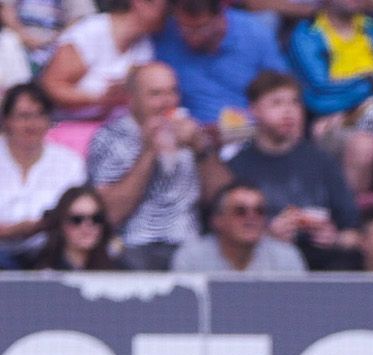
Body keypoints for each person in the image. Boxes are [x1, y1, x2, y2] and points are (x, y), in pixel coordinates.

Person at [87, 63, 232, 271]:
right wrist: (149, 153)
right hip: (131, 245)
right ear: (132, 100)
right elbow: (110, 215)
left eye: (172, 92)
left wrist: (202, 150)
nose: (167, 102)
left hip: (188, 244)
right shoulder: (110, 138)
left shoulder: (192, 133)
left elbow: (226, 202)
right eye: (155, 94)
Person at [227, 71, 362, 270]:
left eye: (295, 102)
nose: (288, 111)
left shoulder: (322, 162)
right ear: (254, 110)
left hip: (322, 262)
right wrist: (267, 235)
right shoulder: (237, 166)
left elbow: (355, 234)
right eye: (277, 103)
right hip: (262, 264)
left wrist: (335, 238)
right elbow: (223, 235)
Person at [287, 0, 373, 192]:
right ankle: (352, 219)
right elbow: (319, 97)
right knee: (363, 146)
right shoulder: (306, 35)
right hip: (338, 120)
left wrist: (359, 94)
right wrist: (369, 82)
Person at [37, 0, 167, 150]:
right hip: (66, 130)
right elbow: (51, 86)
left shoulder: (145, 46)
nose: (169, 13)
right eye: (165, 6)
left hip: (115, 135)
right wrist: (101, 98)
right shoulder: (91, 32)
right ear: (140, 3)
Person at [154, 0, 287, 128]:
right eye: (184, 27)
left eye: (200, 28)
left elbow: (280, 89)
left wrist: (253, 117)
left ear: (220, 18)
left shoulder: (254, 34)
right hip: (186, 136)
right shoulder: (167, 36)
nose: (191, 36)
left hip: (249, 134)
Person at [0, 83, 86, 268]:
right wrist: (13, 231)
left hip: (50, 252)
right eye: (24, 116)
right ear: (6, 120)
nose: (32, 124)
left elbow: (78, 215)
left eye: (40, 115)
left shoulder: (69, 162)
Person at [171, 180, 309, 272]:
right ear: (217, 220)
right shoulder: (191, 258)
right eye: (240, 211)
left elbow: (297, 312)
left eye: (259, 211)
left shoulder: (287, 258)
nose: (251, 218)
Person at [31, 185, 125, 270]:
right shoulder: (36, 268)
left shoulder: (118, 271)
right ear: (61, 223)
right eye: (77, 219)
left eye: (96, 218)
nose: (87, 226)